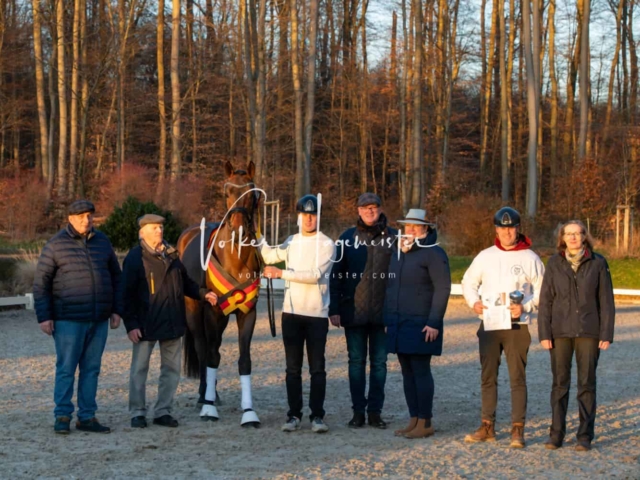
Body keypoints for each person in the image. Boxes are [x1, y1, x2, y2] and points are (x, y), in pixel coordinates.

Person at [34, 199, 123, 435]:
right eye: (82, 216)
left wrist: (116, 310)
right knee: (66, 368)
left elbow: (116, 277)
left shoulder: (103, 242)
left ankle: (87, 416)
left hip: (99, 318)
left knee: (91, 369)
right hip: (68, 320)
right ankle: (62, 415)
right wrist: (44, 317)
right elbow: (41, 284)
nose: (87, 220)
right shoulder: (55, 246)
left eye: (90, 215)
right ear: (70, 219)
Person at [121, 214, 218, 429]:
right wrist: (131, 325)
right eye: (154, 228)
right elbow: (125, 295)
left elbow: (186, 283)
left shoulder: (173, 256)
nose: (159, 231)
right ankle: (137, 412)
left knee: (171, 371)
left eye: (161, 227)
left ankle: (163, 411)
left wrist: (203, 294)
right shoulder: (135, 258)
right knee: (139, 370)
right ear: (142, 232)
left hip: (173, 322)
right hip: (145, 325)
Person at [461, 206, 545, 448]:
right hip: (489, 325)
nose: (507, 232)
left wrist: (526, 307)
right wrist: (473, 302)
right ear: (496, 230)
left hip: (517, 327)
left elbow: (543, 291)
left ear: (518, 229)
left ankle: (517, 429)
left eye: (511, 228)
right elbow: (468, 282)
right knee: (488, 376)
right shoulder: (485, 256)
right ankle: (487, 425)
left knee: (517, 378)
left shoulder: (530, 258)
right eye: (502, 228)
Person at [260, 195, 336, 433]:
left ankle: (317, 416)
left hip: (316, 315)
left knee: (317, 368)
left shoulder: (327, 244)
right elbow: (270, 256)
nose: (309, 219)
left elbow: (314, 275)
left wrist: (281, 274)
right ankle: (294, 415)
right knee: (292, 368)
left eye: (313, 214)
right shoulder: (291, 241)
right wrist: (257, 235)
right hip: (291, 313)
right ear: (299, 216)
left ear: (318, 216)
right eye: (305, 214)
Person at [538, 220, 615, 452]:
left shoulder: (598, 263)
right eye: (568, 233)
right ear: (562, 237)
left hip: (589, 332)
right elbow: (545, 301)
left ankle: (584, 435)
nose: (572, 237)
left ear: (584, 236)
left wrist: (606, 333)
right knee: (559, 385)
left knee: (587, 384)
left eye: (577, 233)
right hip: (560, 332)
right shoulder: (554, 263)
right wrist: (544, 332)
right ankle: (556, 434)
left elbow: (606, 302)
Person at [329, 192, 397, 428]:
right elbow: (336, 275)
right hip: (353, 311)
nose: (370, 211)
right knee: (356, 362)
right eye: (365, 207)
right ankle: (358, 411)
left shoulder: (394, 238)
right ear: (358, 210)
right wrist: (334, 308)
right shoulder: (347, 238)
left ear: (380, 209)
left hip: (384, 313)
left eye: (374, 207)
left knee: (379, 363)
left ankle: (375, 412)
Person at [384, 209, 451, 439]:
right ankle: (414, 419)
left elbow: (443, 289)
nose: (410, 230)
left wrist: (434, 322)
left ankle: (426, 421)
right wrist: (388, 319)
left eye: (416, 226)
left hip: (422, 324)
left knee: (421, 371)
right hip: (399, 322)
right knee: (406, 372)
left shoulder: (433, 253)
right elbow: (391, 288)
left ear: (426, 228)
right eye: (407, 226)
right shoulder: (398, 253)